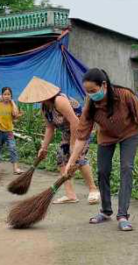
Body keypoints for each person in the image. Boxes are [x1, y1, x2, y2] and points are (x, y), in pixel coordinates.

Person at [65, 69, 138, 231]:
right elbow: (82, 136)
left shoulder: (124, 95)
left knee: (126, 168)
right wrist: (71, 161)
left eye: (93, 91)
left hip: (128, 134)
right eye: (87, 92)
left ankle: (123, 215)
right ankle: (105, 211)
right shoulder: (91, 104)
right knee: (102, 171)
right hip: (106, 136)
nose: (90, 95)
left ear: (104, 85)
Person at [18, 77, 100, 205]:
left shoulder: (59, 100)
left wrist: (73, 146)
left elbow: (75, 122)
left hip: (82, 129)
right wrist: (43, 147)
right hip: (68, 132)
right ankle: (70, 195)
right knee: (61, 157)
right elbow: (50, 128)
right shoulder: (45, 107)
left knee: (78, 157)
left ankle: (93, 189)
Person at [0, 87, 24, 174]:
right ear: (2, 95)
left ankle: (15, 169)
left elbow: (15, 114)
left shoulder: (12, 105)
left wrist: (12, 102)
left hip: (9, 131)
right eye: (5, 94)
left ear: (11, 95)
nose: (7, 96)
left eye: (9, 94)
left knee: (12, 148)